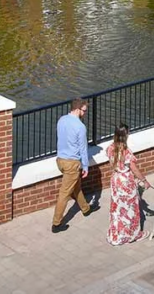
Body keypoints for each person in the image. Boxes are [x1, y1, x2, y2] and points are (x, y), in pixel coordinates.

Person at [52, 98, 95, 233]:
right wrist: (86, 166)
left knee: (76, 186)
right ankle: (56, 224)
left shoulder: (62, 120)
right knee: (64, 193)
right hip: (72, 163)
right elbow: (83, 148)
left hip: (60, 160)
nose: (85, 113)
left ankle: (85, 208)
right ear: (77, 109)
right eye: (84, 111)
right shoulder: (80, 127)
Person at [104, 124, 149, 245]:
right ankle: (133, 234)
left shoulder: (110, 148)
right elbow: (134, 169)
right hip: (126, 182)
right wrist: (144, 181)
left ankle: (116, 234)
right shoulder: (126, 152)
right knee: (130, 210)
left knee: (117, 209)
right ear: (125, 135)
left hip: (115, 180)